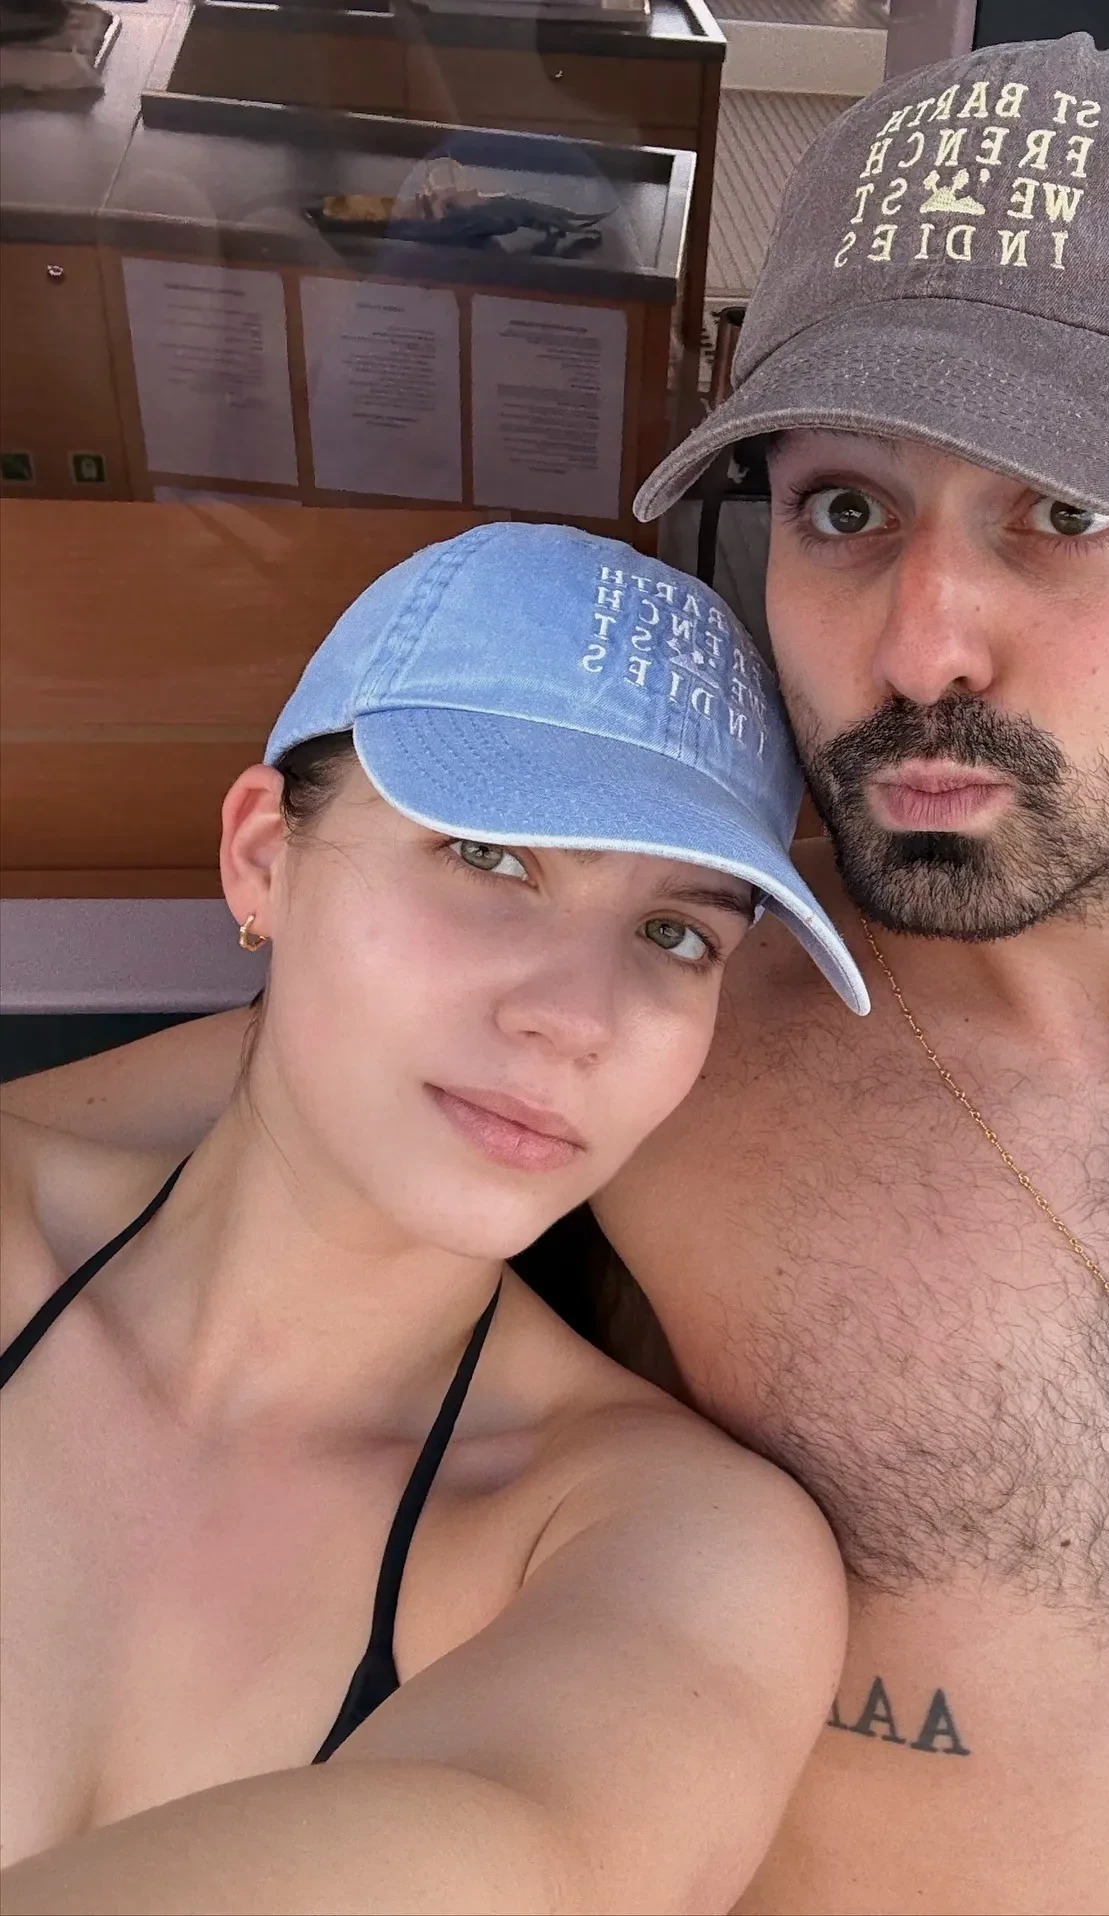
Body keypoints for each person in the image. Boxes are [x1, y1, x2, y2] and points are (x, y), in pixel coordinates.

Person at [6, 33, 1109, 1916]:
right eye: (845, 508)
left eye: (1065, 514)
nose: (923, 643)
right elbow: (281, 1083)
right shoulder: (663, 1036)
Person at [0, 523, 867, 1915]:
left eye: (676, 935)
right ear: (263, 859)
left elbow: (540, 1851)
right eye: (487, 855)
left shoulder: (663, 1542)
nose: (575, 1018)